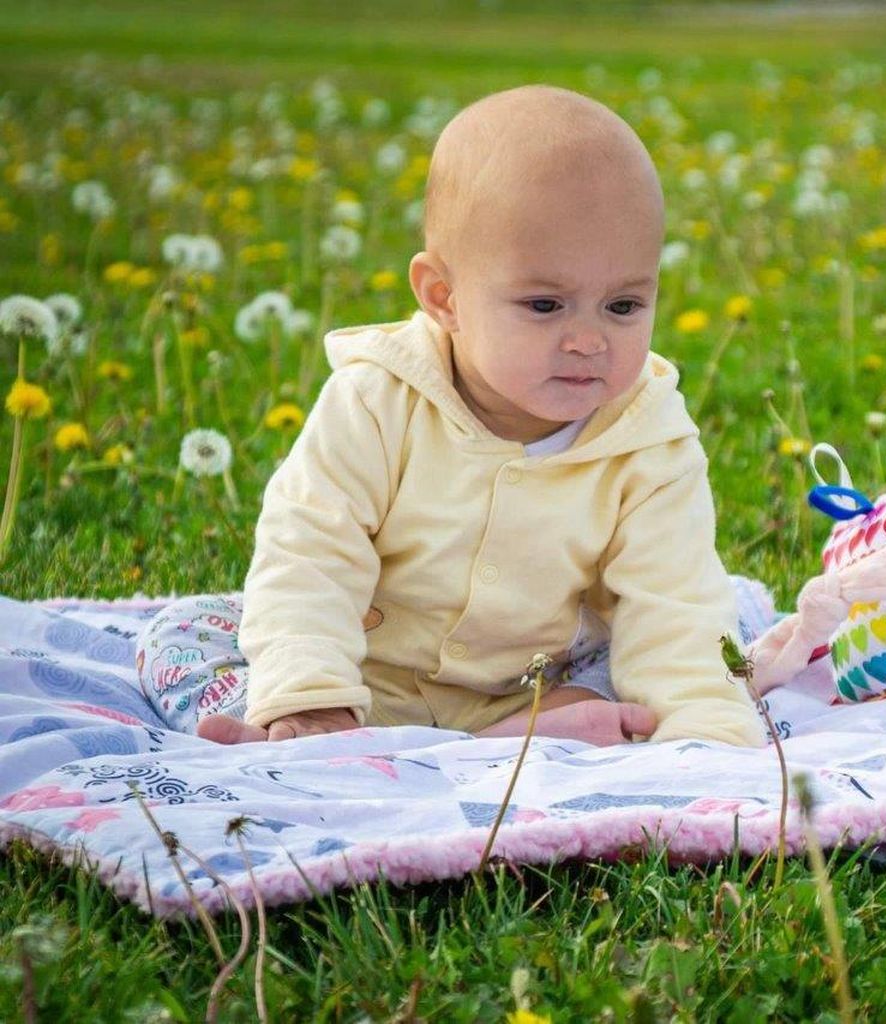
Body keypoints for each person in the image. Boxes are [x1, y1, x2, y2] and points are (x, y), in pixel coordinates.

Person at [134, 85, 769, 749]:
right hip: (367, 678)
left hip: (533, 680)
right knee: (185, 635)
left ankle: (524, 732)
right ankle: (315, 732)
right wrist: (310, 693)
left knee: (695, 634)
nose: (589, 340)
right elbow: (311, 550)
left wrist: (707, 740)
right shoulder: (377, 400)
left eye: (623, 307)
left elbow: (674, 602)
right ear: (445, 297)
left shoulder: (648, 435)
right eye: (545, 306)